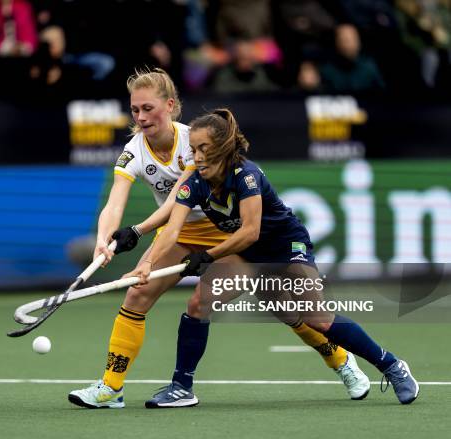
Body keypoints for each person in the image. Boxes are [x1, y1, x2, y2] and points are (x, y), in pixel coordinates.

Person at [68, 68, 369, 409]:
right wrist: (103, 239)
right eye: (135, 109)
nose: (140, 117)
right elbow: (115, 202)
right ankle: (111, 387)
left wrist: (136, 233)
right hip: (179, 236)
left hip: (225, 236)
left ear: (169, 106)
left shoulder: (194, 142)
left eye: (148, 108)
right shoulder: (134, 150)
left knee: (285, 308)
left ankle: (341, 361)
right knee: (137, 297)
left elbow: (173, 204)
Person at [128, 108, 419, 406]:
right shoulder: (193, 184)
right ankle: (181, 387)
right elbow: (172, 231)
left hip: (287, 248)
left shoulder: (246, 175)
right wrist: (147, 264)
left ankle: (391, 366)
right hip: (247, 256)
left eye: (204, 149)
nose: (197, 157)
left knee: (315, 318)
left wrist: (208, 255)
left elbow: (251, 231)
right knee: (198, 303)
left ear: (222, 147)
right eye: (193, 150)